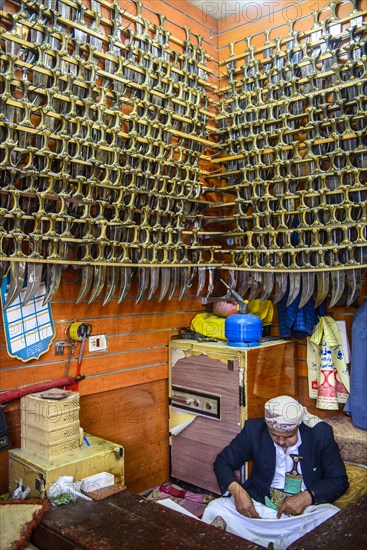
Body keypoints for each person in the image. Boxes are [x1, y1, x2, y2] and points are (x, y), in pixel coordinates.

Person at [202, 395, 349, 549]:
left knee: (334, 520)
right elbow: (223, 462)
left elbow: (338, 479)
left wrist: (308, 496)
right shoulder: (254, 430)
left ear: (298, 427)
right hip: (259, 509)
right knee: (215, 509)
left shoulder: (320, 434)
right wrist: (238, 492)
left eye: (288, 436)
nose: (280, 441)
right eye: (274, 435)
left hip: (303, 515)